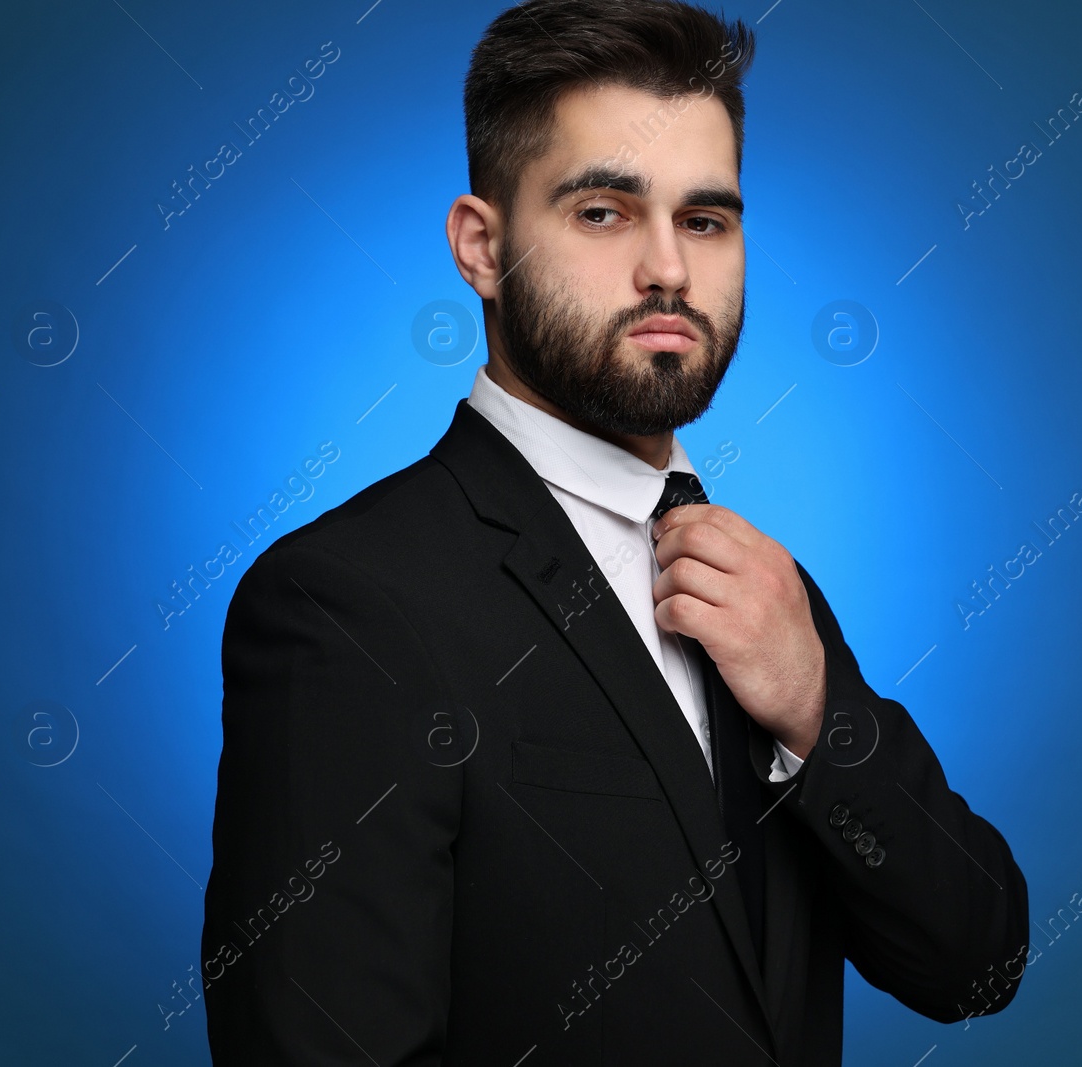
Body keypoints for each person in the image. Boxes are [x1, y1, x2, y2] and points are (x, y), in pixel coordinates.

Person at [201, 1, 1029, 1062]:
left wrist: (822, 713)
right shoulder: (344, 602)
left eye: (705, 219)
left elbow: (978, 965)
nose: (668, 270)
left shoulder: (772, 595)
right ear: (481, 247)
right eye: (603, 211)